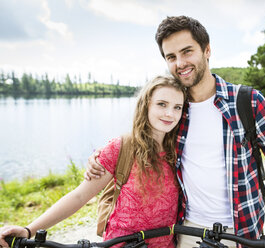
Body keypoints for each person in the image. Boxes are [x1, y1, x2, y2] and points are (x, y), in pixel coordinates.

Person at [84, 16, 265, 248]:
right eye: (171, 56)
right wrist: (100, 156)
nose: (180, 62)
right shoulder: (174, 110)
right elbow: (142, 138)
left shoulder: (248, 102)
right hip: (187, 231)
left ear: (207, 50)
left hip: (243, 231)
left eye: (187, 51)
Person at [0, 75, 186, 248]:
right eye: (162, 104)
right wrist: (28, 230)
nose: (170, 113)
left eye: (177, 107)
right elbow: (80, 196)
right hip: (124, 244)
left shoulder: (178, 151)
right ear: (146, 105)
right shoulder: (123, 147)